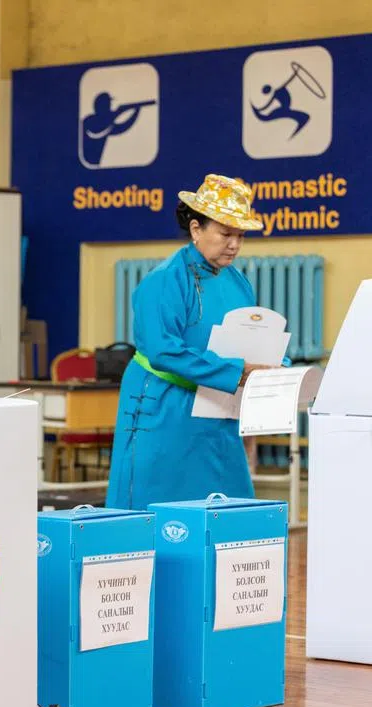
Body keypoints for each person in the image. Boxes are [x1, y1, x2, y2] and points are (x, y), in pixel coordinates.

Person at [105, 174, 276, 511]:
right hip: (163, 403)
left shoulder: (237, 281)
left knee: (226, 500)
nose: (234, 245)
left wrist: (273, 366)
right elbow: (162, 350)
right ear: (196, 229)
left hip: (216, 402)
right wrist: (237, 371)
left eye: (240, 235)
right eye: (225, 233)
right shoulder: (164, 280)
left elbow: (247, 338)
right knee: (154, 503)